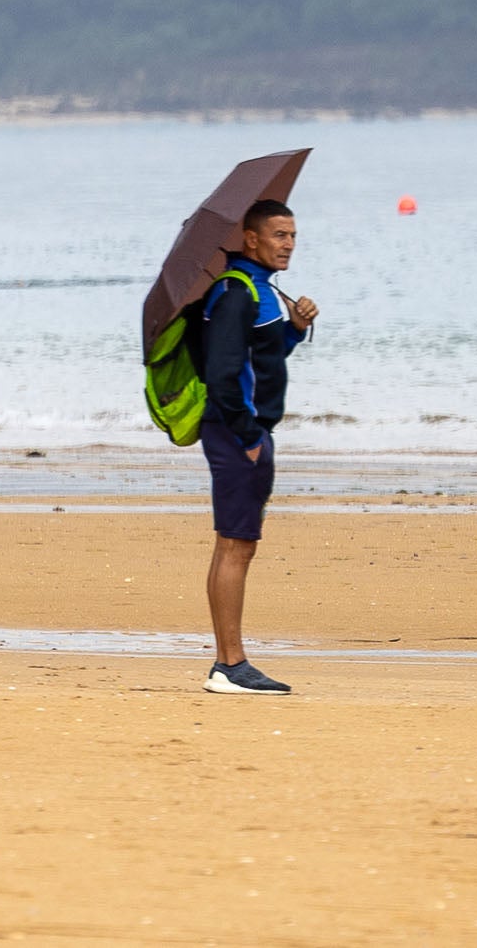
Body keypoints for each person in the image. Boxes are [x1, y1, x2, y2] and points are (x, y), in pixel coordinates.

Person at [198, 198, 317, 695]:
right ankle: (230, 665)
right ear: (251, 238)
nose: (288, 244)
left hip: (243, 432)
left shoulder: (261, 290)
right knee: (235, 543)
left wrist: (294, 328)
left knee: (236, 543)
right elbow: (223, 374)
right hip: (235, 432)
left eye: (292, 235)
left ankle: (230, 662)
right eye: (278, 235)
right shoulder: (235, 293)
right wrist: (248, 437)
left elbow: (262, 356)